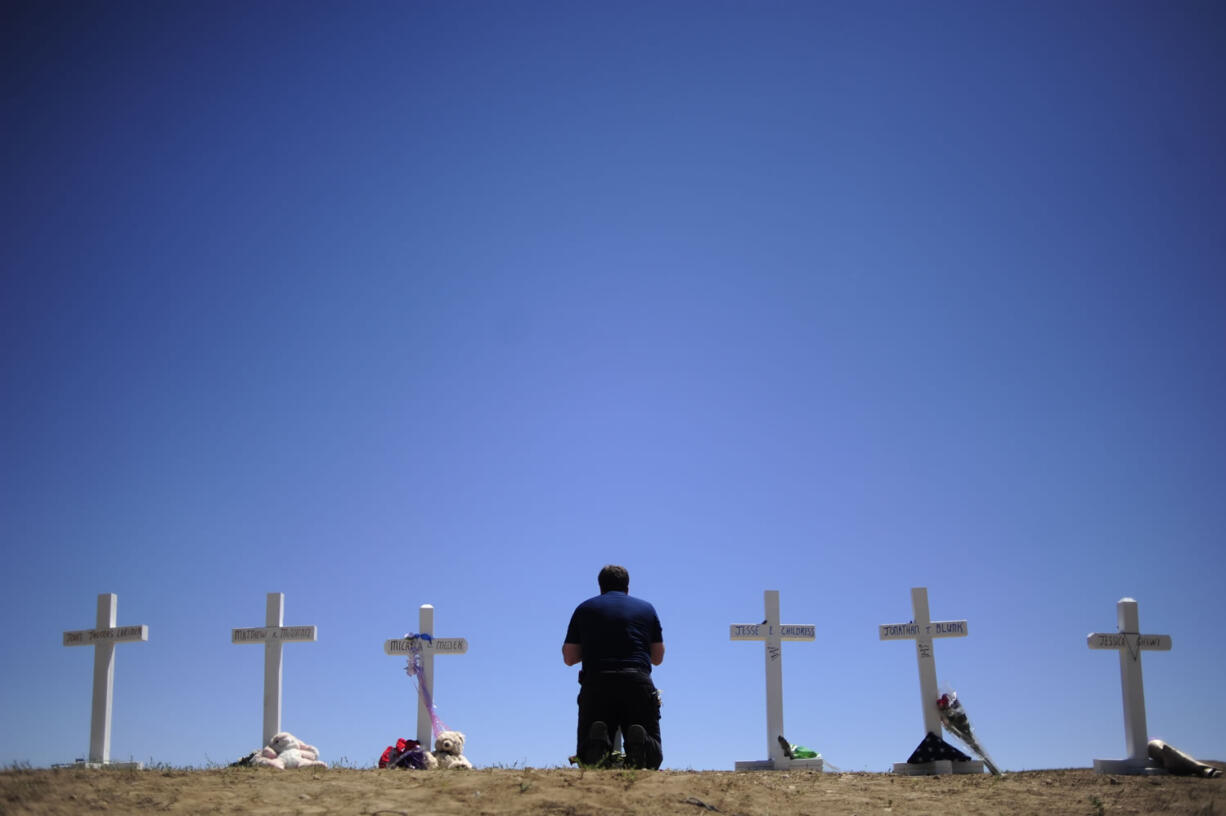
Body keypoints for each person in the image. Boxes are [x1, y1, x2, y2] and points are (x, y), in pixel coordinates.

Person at [563, 564, 665, 769]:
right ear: (628, 587)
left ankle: (597, 744)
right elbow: (657, 656)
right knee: (652, 760)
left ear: (600, 587)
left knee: (587, 755)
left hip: (597, 682)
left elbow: (569, 657)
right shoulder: (647, 609)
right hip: (637, 681)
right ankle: (641, 742)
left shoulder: (584, 609)